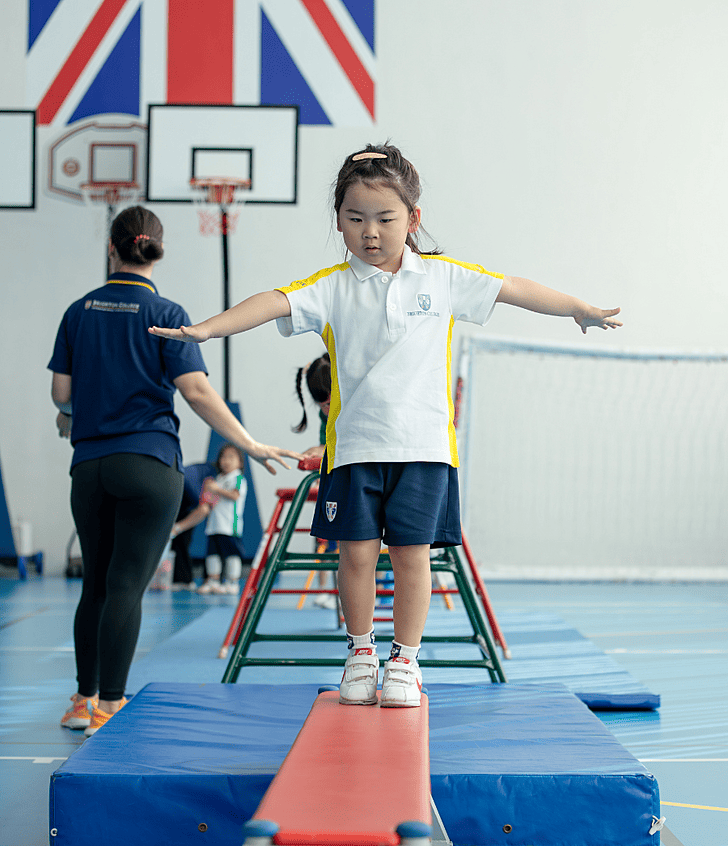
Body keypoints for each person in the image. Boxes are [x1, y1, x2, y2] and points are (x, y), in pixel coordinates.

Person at [149, 144, 622, 709]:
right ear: (339, 223)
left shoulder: (443, 278)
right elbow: (273, 302)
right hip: (354, 449)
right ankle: (360, 653)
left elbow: (513, 287)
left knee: (411, 556)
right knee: (354, 556)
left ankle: (404, 660)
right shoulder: (332, 286)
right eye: (354, 219)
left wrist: (577, 307)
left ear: (413, 220)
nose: (369, 232)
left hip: (424, 449)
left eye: (385, 218)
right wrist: (208, 330)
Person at [50, 205, 302, 736]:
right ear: (156, 251)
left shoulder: (78, 312)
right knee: (125, 588)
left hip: (90, 466)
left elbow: (62, 396)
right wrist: (249, 443)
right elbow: (196, 391)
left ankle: (81, 699)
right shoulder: (164, 312)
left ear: (111, 247)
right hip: (148, 465)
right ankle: (110, 704)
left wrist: (70, 416)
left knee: (94, 583)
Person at [171, 443, 249, 595]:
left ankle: (232, 582)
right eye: (223, 457)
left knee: (231, 554)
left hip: (229, 526)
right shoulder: (218, 478)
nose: (226, 461)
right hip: (214, 525)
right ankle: (213, 581)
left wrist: (216, 489)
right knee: (212, 555)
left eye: (231, 457)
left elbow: (235, 495)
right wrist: (209, 492)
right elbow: (208, 502)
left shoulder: (238, 478)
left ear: (240, 462)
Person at [293, 354, 338, 609]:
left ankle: (372, 589)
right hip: (335, 480)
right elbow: (328, 443)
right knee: (326, 539)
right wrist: (318, 450)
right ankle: (327, 590)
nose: (327, 410)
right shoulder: (325, 413)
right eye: (322, 406)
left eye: (331, 403)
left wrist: (324, 449)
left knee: (363, 544)